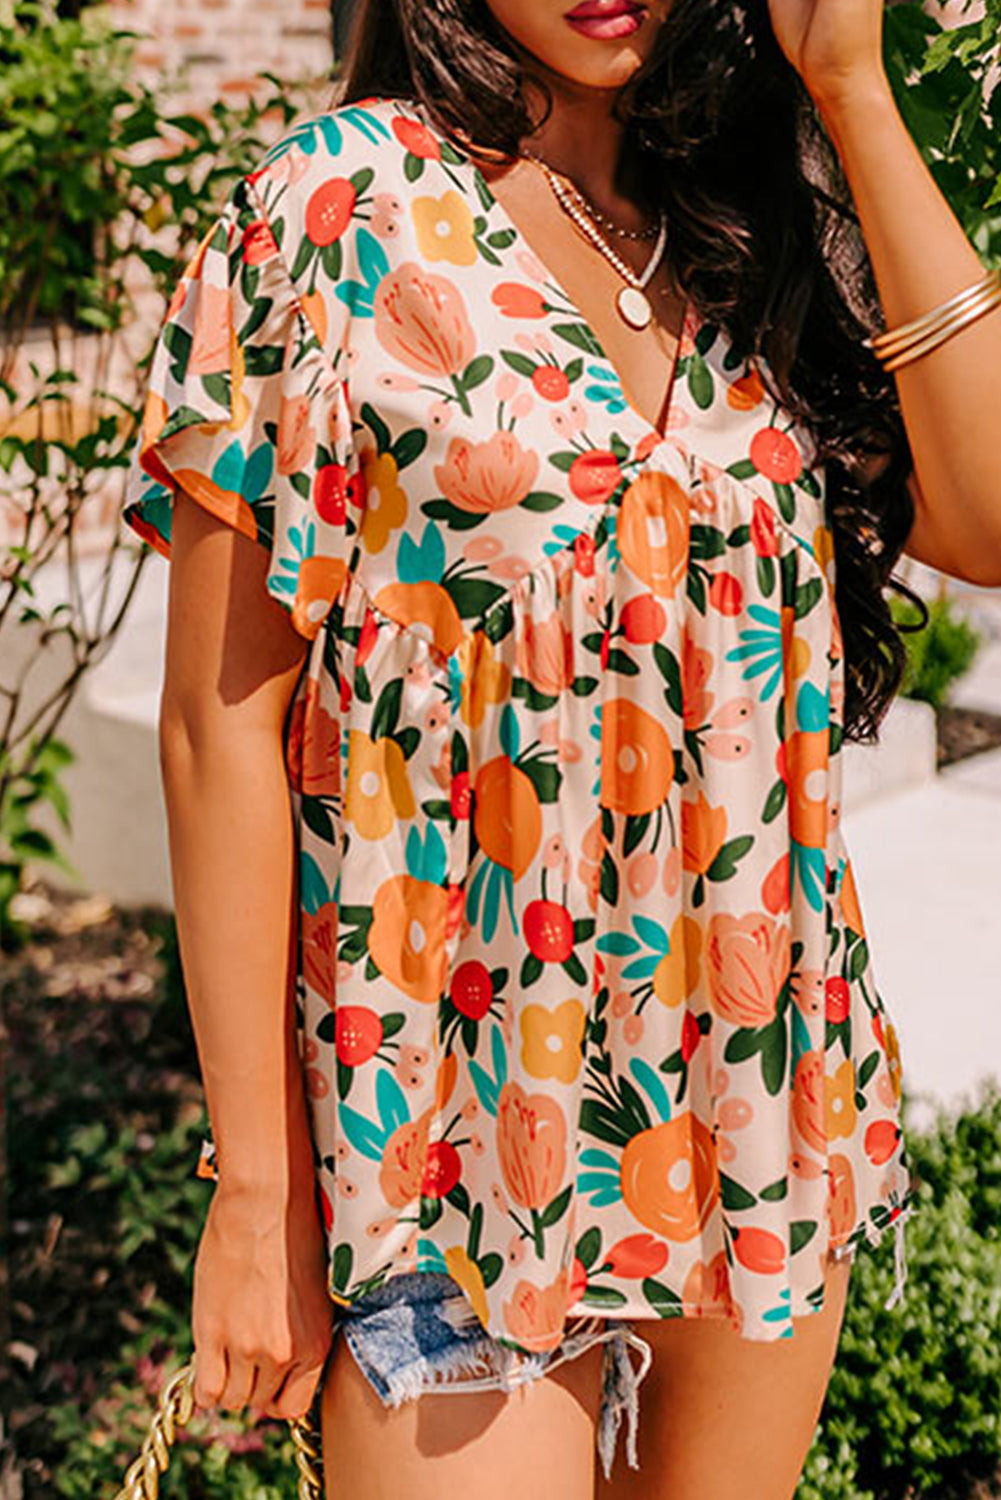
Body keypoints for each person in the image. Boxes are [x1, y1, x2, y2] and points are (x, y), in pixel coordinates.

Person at [121, 0, 1001, 1494]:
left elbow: (984, 521)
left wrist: (848, 89)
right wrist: (257, 1194)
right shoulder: (337, 211)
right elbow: (220, 730)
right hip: (445, 1142)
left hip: (750, 1109)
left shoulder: (744, 209)